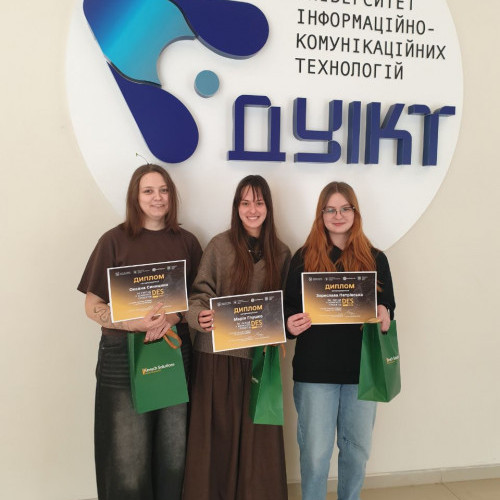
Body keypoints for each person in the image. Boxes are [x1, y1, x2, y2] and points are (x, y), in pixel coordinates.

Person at [77, 164, 203, 500]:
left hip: (173, 355)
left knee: (173, 457)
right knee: (127, 460)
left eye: (163, 190)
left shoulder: (187, 243)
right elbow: (92, 305)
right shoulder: (113, 241)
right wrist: (131, 323)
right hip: (122, 361)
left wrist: (172, 318)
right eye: (148, 191)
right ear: (135, 196)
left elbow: (199, 300)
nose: (157, 197)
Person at [284, 181, 396, 500]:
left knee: (356, 453)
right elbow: (287, 310)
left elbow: (389, 308)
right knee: (315, 455)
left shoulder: (376, 258)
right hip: (314, 373)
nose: (338, 215)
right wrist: (290, 324)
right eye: (330, 209)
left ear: (355, 212)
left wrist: (384, 313)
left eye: (345, 208)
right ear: (320, 215)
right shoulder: (303, 258)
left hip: (362, 373)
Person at [183, 175, 291, 500]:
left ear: (268, 207)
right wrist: (199, 316)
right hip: (216, 359)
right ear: (236, 207)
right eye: (245, 203)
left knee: (259, 442)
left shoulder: (281, 253)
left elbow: (286, 307)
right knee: (216, 439)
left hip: (259, 361)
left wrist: (283, 329)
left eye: (258, 202)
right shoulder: (219, 246)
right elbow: (198, 296)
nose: (252, 209)